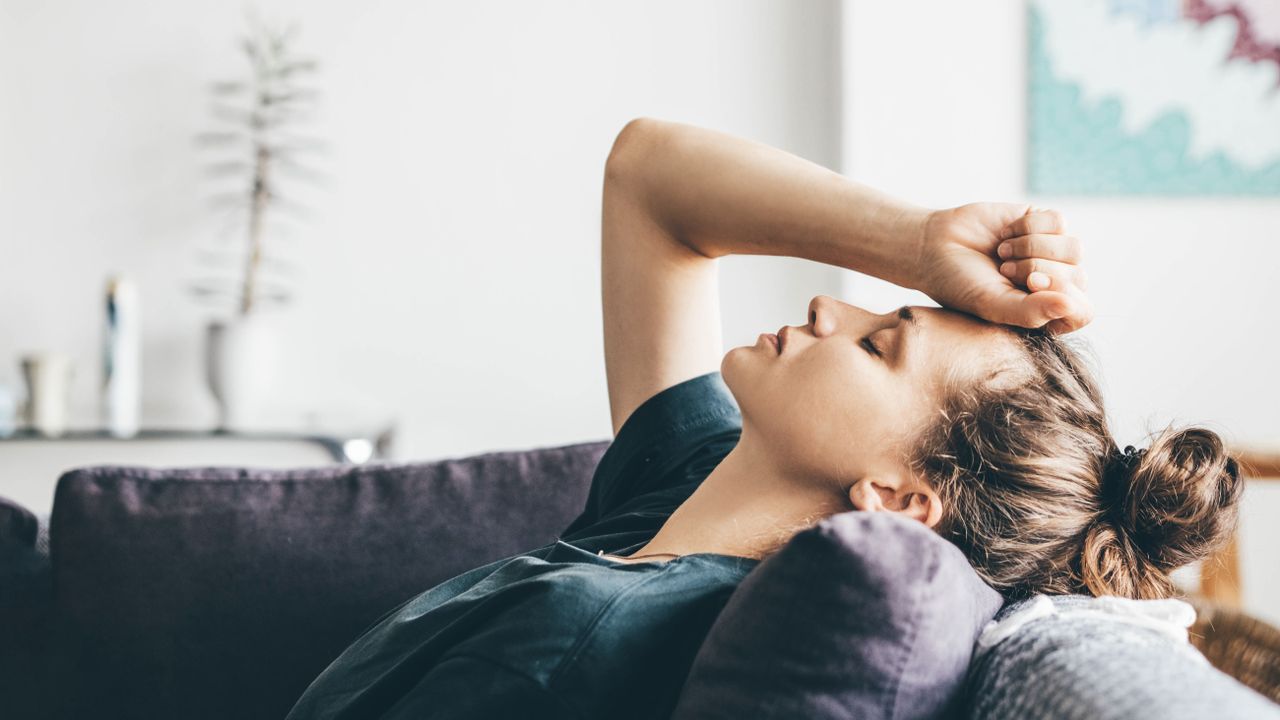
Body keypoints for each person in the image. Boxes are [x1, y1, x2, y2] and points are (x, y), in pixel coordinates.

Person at [285, 118, 1241, 719]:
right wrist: (918, 244)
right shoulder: (687, 485)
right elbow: (650, 176)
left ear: (898, 498)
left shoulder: (580, 637)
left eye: (879, 345)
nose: (834, 309)